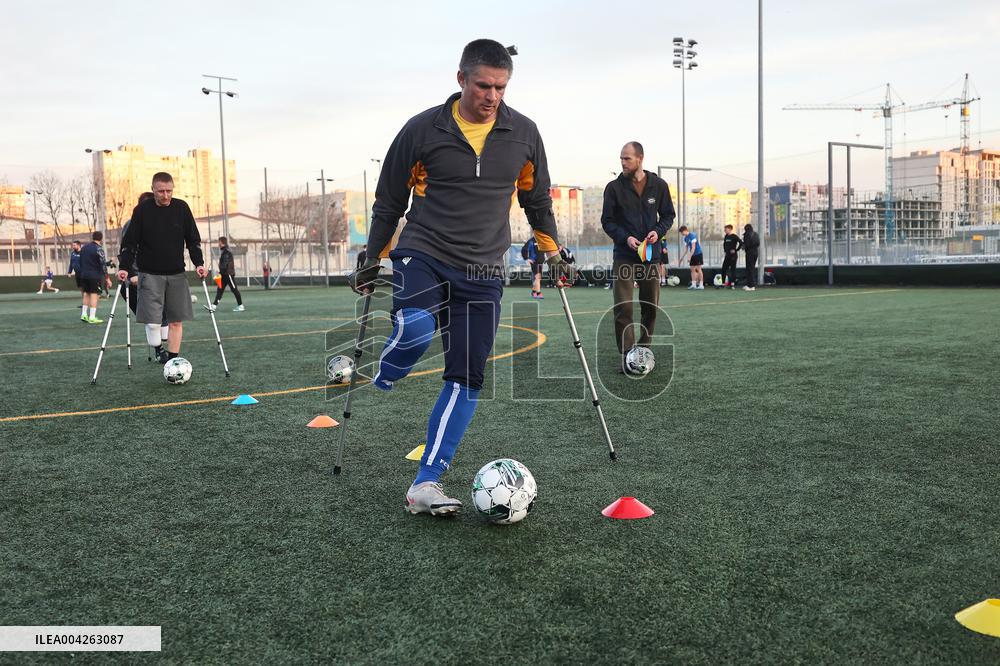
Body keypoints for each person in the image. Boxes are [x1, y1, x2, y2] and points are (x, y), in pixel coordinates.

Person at [349, 38, 570, 517]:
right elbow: (389, 199)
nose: (492, 95)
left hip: (485, 269)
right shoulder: (422, 129)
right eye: (484, 85)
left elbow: (537, 202)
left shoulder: (524, 133)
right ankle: (389, 369)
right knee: (415, 327)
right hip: (423, 251)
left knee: (466, 378)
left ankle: (425, 482)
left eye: (501, 87)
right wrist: (373, 256)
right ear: (461, 79)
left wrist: (553, 252)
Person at [117, 172, 206, 365]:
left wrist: (199, 263)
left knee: (175, 321)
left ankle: (172, 362)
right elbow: (130, 243)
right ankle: (159, 351)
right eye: (161, 191)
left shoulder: (181, 207)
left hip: (176, 273)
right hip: (149, 274)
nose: (165, 195)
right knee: (154, 320)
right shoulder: (141, 211)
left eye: (169, 191)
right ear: (153, 189)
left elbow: (193, 240)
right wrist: (125, 268)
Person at [601, 141, 674, 372]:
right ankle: (627, 355)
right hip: (624, 254)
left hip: (650, 257)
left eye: (627, 158)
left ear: (640, 159)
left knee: (650, 305)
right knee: (623, 306)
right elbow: (607, 221)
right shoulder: (613, 188)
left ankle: (643, 350)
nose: (622, 162)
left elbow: (668, 216)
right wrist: (626, 238)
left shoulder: (659, 185)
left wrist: (658, 231)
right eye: (621, 158)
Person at [78, 232, 107, 323]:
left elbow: (80, 261)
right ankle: (92, 317)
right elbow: (102, 264)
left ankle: (84, 315)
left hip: (84, 275)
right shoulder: (99, 249)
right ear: (101, 239)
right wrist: (106, 277)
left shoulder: (84, 248)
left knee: (86, 294)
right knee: (94, 295)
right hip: (95, 275)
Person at [209, 236, 244, 312]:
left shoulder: (226, 252)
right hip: (223, 275)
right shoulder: (224, 252)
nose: (218, 244)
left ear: (222, 242)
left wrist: (220, 271)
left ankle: (240, 305)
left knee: (234, 289)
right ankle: (214, 305)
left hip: (228, 274)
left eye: (219, 242)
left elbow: (225, 264)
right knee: (220, 290)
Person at [677, 225, 704, 289]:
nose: (681, 234)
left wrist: (689, 257)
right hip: (692, 255)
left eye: (682, 232)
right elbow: (686, 249)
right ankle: (693, 284)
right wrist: (681, 258)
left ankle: (701, 285)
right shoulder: (685, 238)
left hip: (698, 254)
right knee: (692, 269)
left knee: (698, 269)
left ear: (685, 230)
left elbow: (693, 248)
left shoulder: (692, 236)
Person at [721, 224, 743, 288]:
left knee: (733, 269)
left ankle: (732, 284)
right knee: (724, 269)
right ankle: (723, 283)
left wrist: (736, 250)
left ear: (730, 229)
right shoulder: (726, 236)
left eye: (726, 229)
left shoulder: (734, 236)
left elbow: (741, 242)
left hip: (733, 256)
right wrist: (725, 250)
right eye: (724, 229)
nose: (725, 230)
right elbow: (724, 244)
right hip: (727, 255)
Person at [743, 223, 760, 292]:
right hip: (755, 252)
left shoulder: (747, 234)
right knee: (752, 268)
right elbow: (758, 243)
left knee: (749, 269)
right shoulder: (755, 234)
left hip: (749, 253)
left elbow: (746, 244)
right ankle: (750, 285)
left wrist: (744, 246)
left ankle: (751, 285)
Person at [67, 241, 83, 309]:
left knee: (85, 288)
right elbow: (71, 263)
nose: (73, 247)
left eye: (74, 245)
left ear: (79, 245)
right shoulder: (73, 253)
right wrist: (69, 272)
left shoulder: (83, 253)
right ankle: (84, 304)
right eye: (72, 245)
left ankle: (87, 303)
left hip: (83, 273)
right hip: (77, 274)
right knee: (81, 289)